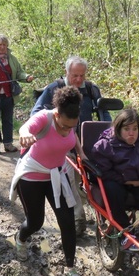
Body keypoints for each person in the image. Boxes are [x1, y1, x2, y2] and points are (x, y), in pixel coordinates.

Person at [9, 86, 84, 276]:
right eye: (65, 126)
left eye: (72, 126)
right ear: (57, 114)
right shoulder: (45, 117)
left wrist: (81, 153)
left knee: (67, 223)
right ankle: (21, 239)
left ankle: (70, 268)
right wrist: (24, 134)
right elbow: (26, 128)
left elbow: (73, 135)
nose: (68, 129)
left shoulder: (71, 119)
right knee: (35, 222)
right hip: (32, 177)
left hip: (56, 177)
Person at [31, 56, 107, 237]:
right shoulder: (53, 89)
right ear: (66, 72)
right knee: (71, 181)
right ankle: (77, 220)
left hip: (89, 143)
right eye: (75, 76)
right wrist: (53, 127)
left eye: (82, 75)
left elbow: (104, 115)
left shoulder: (91, 89)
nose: (79, 80)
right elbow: (36, 112)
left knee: (95, 180)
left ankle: (104, 216)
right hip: (64, 144)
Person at [91, 108, 139, 253]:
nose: (131, 133)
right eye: (126, 129)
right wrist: (125, 180)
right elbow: (102, 171)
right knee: (113, 191)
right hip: (117, 181)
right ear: (118, 129)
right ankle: (125, 234)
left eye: (135, 129)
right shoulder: (105, 145)